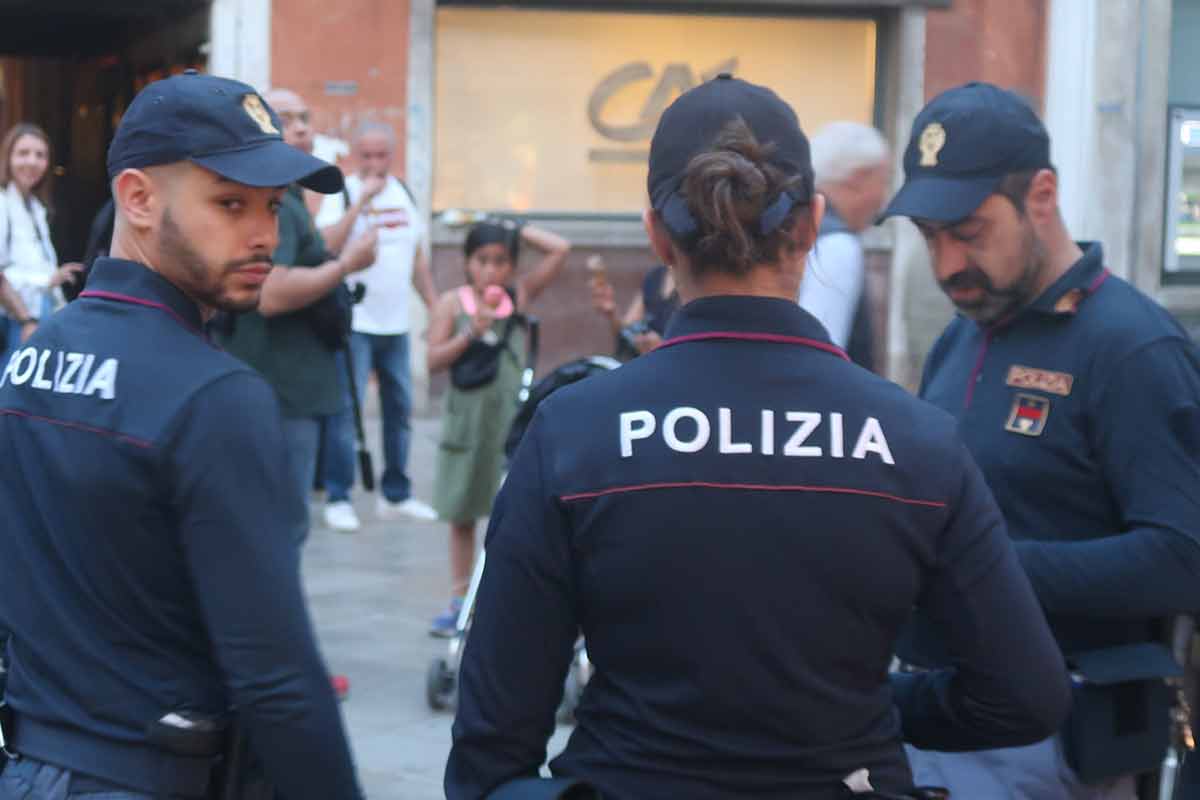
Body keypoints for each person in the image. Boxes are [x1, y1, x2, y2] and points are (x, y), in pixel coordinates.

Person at [444, 74, 1071, 800]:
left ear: (655, 235)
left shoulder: (573, 433)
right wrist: (875, 706)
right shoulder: (916, 440)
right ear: (810, 224)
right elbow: (1026, 693)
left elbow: (492, 744)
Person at [0, 71, 361, 799]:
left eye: (273, 205)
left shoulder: (30, 358)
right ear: (138, 199)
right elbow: (279, 678)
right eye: (230, 203)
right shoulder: (215, 396)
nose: (262, 233)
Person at [880, 82, 1200, 800]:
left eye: (968, 231)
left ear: (1042, 196)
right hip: (943, 720)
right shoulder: (962, 335)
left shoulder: (1131, 346)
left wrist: (982, 568)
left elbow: (1184, 557)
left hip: (1066, 742)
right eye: (930, 238)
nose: (946, 265)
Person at [217, 87, 378, 545]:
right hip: (279, 385)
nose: (303, 127)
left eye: (306, 116)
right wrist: (347, 267)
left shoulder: (288, 197)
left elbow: (314, 250)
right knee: (281, 528)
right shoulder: (273, 201)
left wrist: (355, 222)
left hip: (292, 385)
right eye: (288, 118)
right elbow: (271, 291)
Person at [425, 219, 570, 638]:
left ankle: (501, 598)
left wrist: (516, 228)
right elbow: (433, 360)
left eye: (501, 261)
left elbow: (560, 248)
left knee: (512, 513)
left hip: (509, 423)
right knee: (463, 511)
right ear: (467, 263)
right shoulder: (451, 304)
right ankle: (458, 598)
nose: (491, 270)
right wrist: (472, 332)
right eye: (482, 260)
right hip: (466, 423)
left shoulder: (517, 296)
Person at [315, 120, 439, 532]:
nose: (373, 163)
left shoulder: (404, 193)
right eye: (365, 155)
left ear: (392, 154)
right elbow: (327, 246)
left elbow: (417, 260)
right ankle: (339, 495)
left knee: (399, 409)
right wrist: (359, 204)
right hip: (355, 322)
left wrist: (435, 307)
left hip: (396, 325)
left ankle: (396, 493)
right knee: (345, 413)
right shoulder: (343, 192)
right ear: (356, 156)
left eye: (380, 155)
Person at [801, 121, 890, 369]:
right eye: (883, 182)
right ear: (858, 178)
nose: (884, 200)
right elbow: (819, 356)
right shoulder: (836, 245)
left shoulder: (794, 223)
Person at [0, 124, 84, 361]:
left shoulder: (37, 207)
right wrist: (28, 318)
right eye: (23, 153)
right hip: (18, 319)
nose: (32, 162)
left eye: (40, 155)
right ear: (8, 158)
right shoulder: (2, 203)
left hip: (40, 313)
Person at [589, 261, 678, 357]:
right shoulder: (654, 276)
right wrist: (612, 313)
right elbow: (626, 330)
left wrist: (663, 347)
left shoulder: (692, 279)